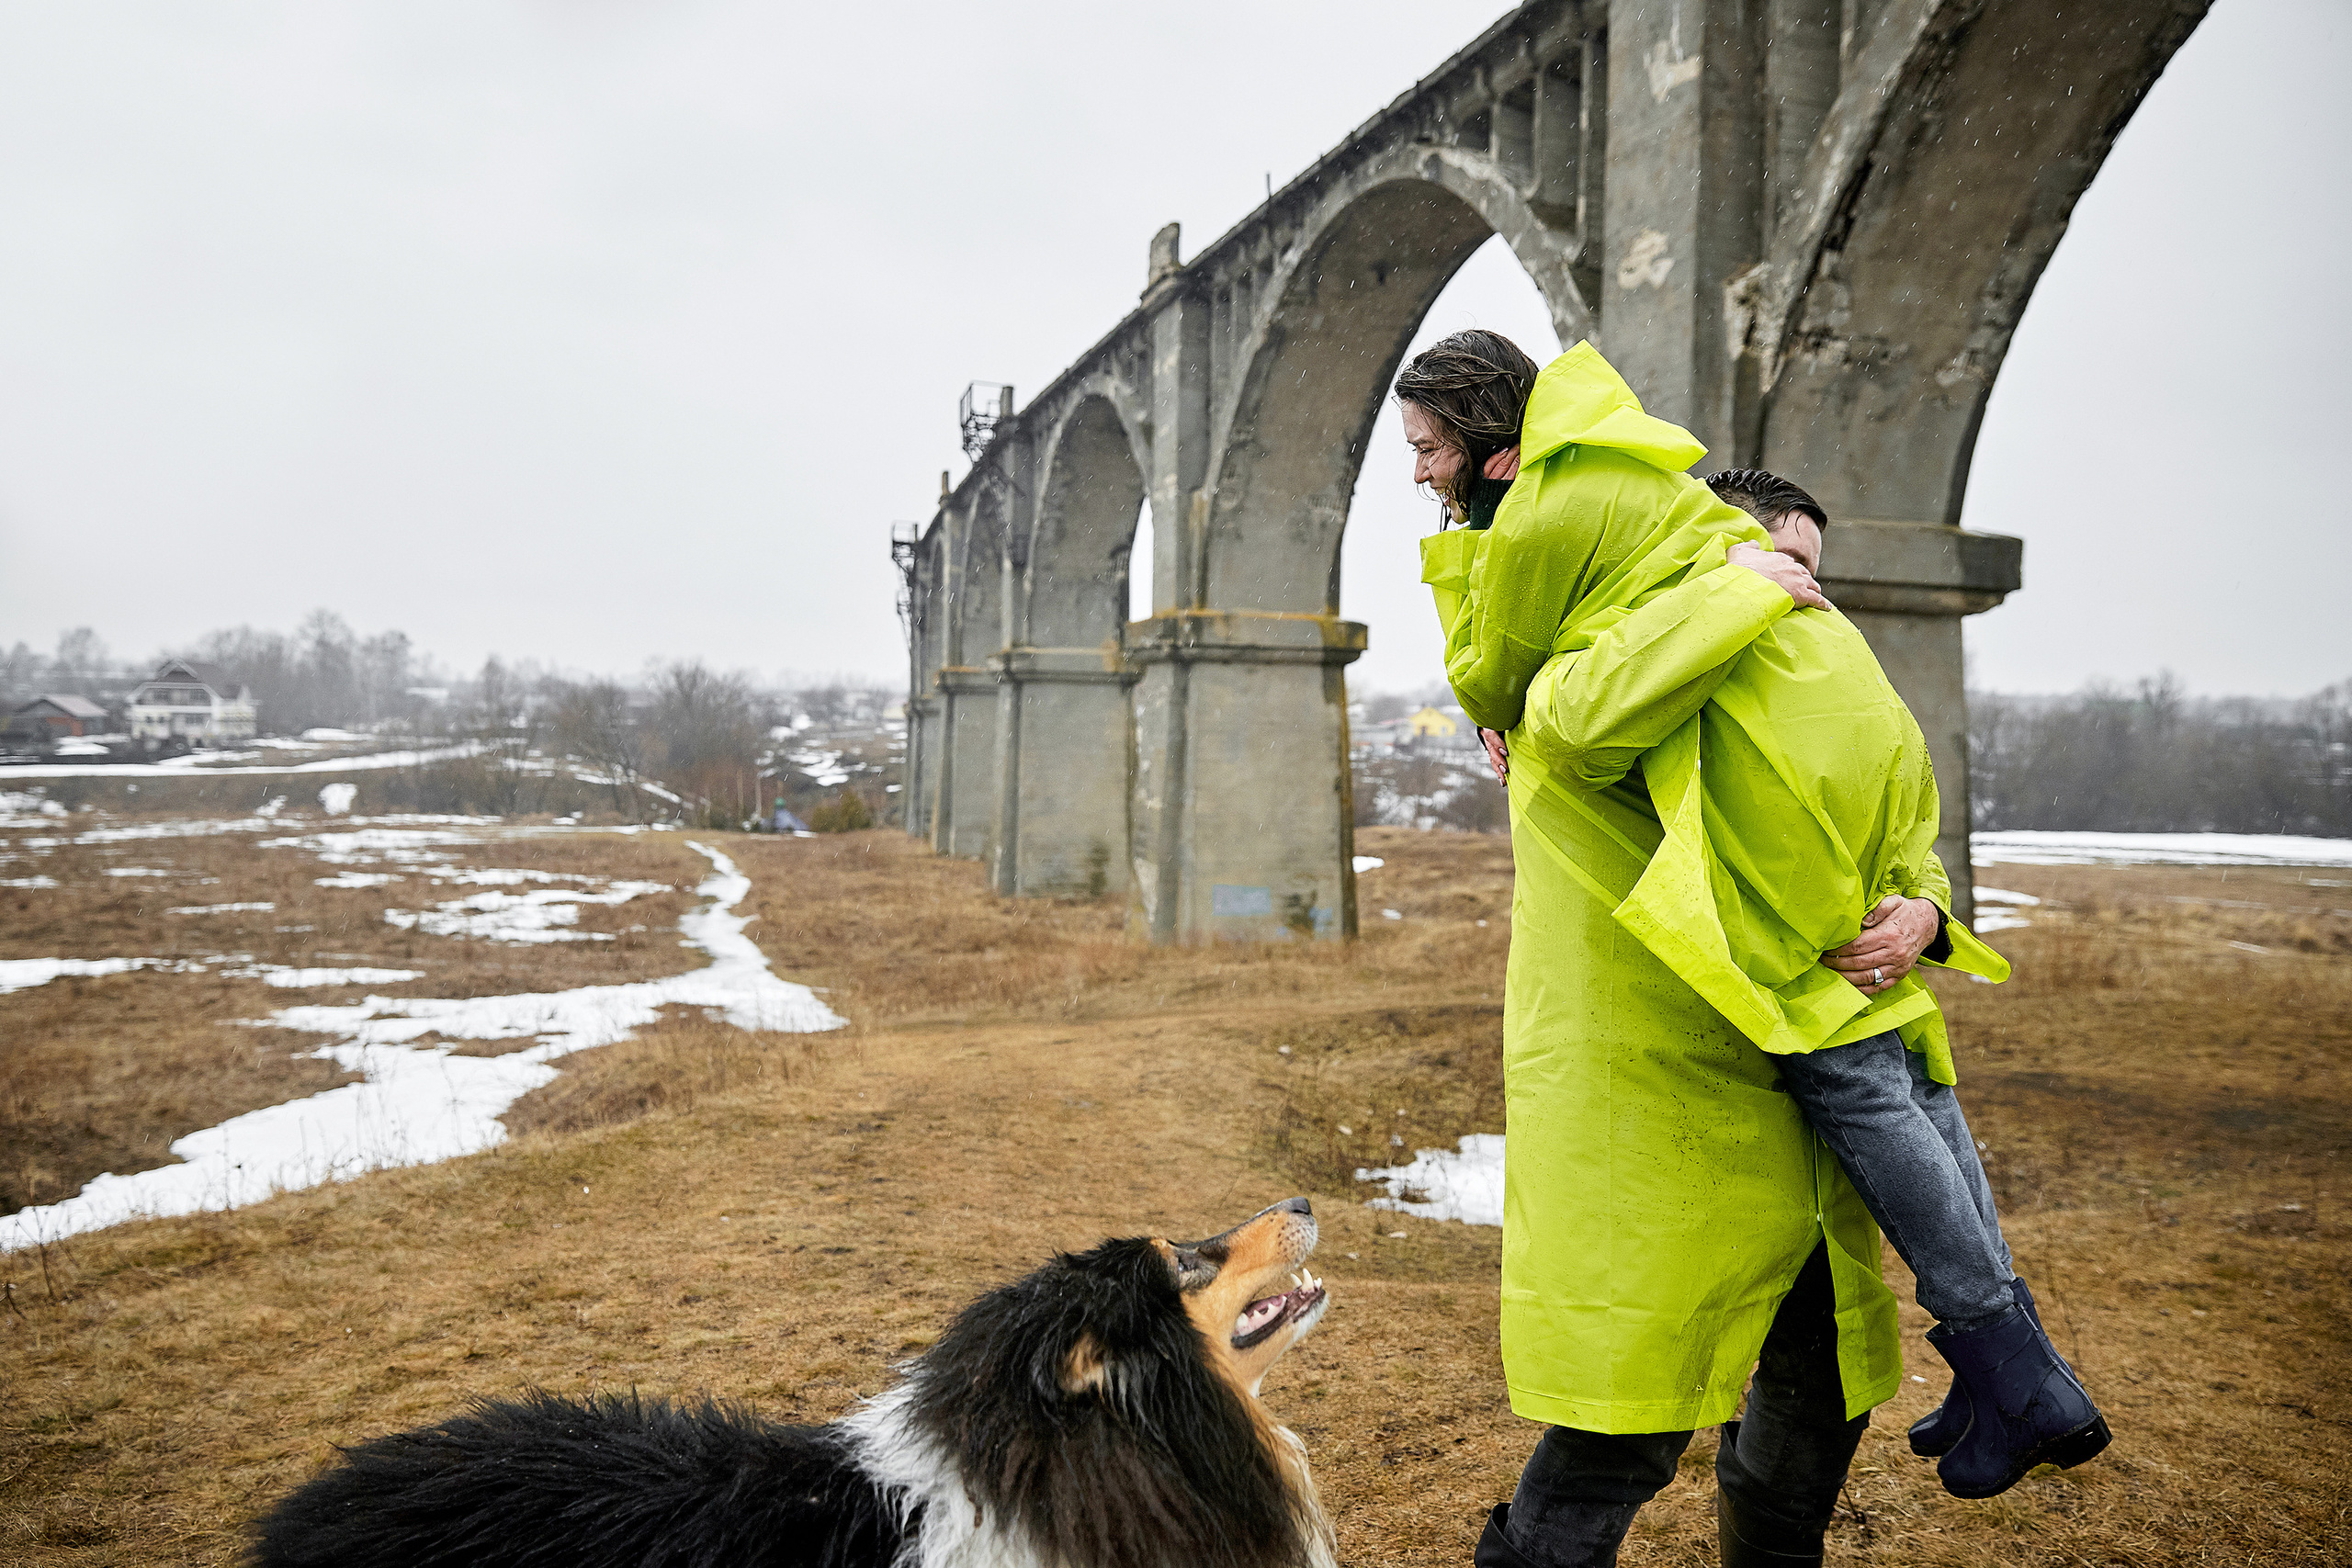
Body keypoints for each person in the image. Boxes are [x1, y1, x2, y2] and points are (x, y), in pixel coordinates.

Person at [1401, 333, 2106, 1567]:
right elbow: (1558, 711)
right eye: (1771, 556)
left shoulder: (1781, 657)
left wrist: (1927, 915)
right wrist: (1722, 595)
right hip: (1682, 1087)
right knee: (1631, 1409)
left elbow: (1887, 818)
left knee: (1812, 1396)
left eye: (1805, 568)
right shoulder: (1620, 650)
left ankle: (2004, 1372)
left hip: (1810, 1075)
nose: (1799, 586)